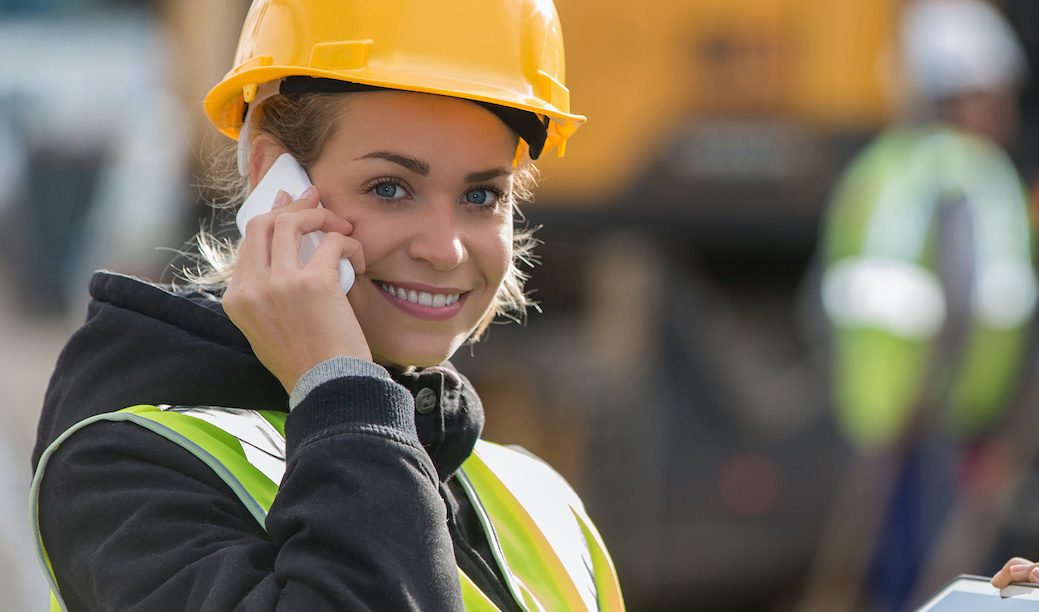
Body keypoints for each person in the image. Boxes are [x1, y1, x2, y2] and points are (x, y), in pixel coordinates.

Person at [28, 1, 619, 609]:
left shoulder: (545, 505)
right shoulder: (124, 467)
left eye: (481, 195)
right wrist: (340, 387)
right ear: (272, 180)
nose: (445, 249)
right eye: (390, 189)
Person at [814, 0, 1039, 607]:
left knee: (891, 565)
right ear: (961, 93)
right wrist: (942, 394)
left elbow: (822, 297)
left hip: (876, 412)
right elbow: (966, 298)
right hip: (939, 411)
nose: (1005, 113)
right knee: (944, 577)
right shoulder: (972, 172)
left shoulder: (874, 169)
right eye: (996, 96)